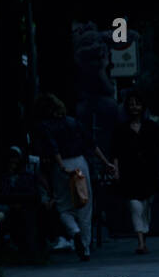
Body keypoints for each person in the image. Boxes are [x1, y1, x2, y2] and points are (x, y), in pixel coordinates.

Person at [34, 93, 114, 261]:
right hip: (80, 163)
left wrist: (61, 165)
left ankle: (73, 231)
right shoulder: (73, 122)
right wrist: (106, 162)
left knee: (64, 206)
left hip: (61, 166)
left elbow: (52, 146)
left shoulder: (44, 126)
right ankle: (85, 248)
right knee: (85, 205)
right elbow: (91, 143)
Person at [111, 92, 159, 254]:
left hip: (148, 171)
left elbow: (158, 144)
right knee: (135, 206)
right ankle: (141, 241)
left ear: (143, 107)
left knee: (146, 205)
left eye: (137, 104)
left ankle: (144, 231)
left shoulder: (150, 126)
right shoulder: (121, 129)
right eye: (131, 104)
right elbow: (115, 151)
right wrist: (116, 170)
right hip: (130, 171)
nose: (134, 107)